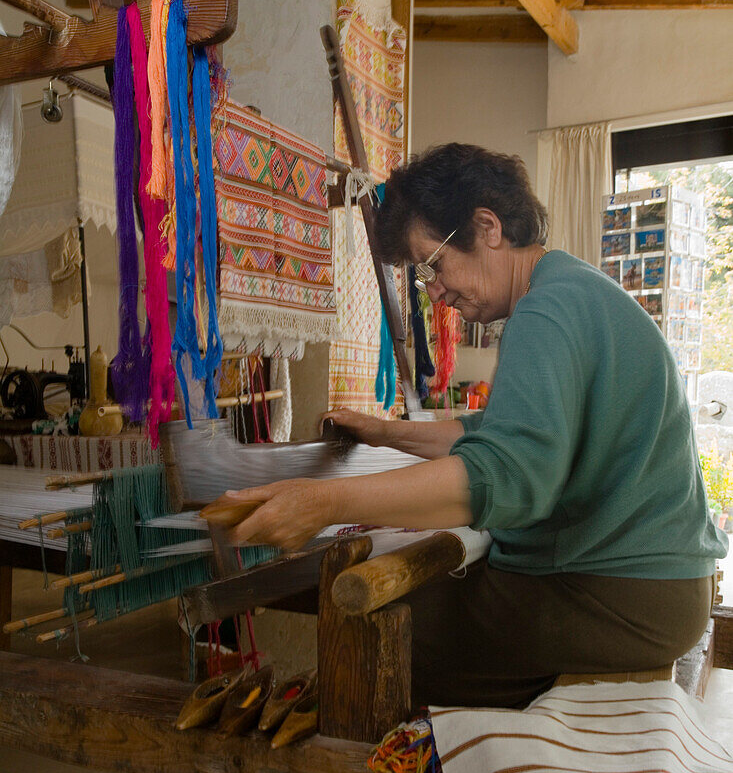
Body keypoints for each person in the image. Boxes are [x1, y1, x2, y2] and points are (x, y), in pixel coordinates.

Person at [222, 143, 727, 708]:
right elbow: (500, 430)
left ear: (486, 227)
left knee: (389, 619)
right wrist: (384, 432)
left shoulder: (546, 312)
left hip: (617, 599)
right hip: (657, 593)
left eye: (435, 265)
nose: (436, 291)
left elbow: (511, 476)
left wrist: (326, 503)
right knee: (428, 596)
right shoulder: (573, 291)